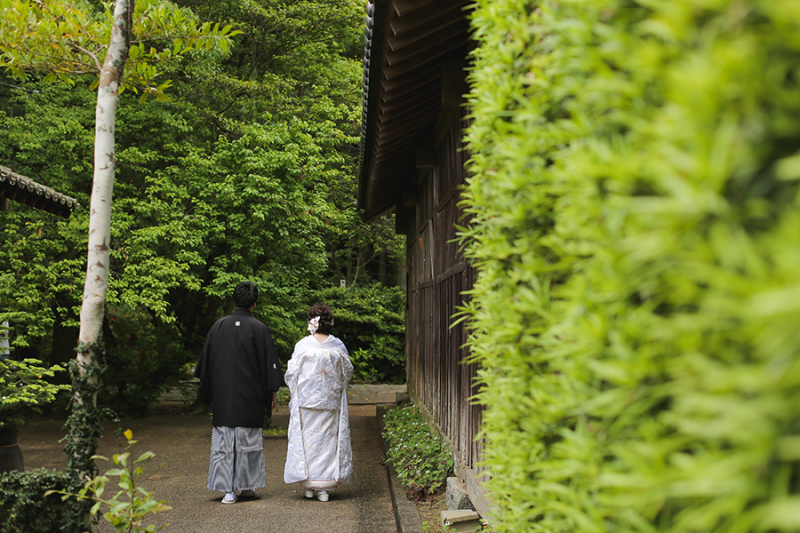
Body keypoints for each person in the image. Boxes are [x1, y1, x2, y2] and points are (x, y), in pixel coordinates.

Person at [194, 281, 280, 504]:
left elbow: (205, 365)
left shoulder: (218, 326)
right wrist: (272, 390)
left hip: (223, 396)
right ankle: (247, 486)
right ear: (254, 304)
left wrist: (208, 391)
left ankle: (228, 490)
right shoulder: (259, 329)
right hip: (250, 397)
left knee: (224, 441)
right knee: (248, 441)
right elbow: (269, 364)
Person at [284, 302, 354, 501]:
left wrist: (295, 390)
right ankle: (323, 487)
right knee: (327, 444)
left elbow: (291, 373)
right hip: (330, 401)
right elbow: (347, 372)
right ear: (329, 322)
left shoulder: (303, 345)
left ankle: (308, 485)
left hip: (307, 401)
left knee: (307, 442)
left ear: (312, 322)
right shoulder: (337, 346)